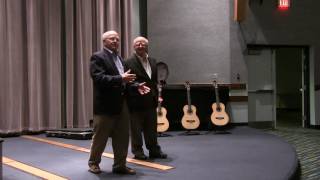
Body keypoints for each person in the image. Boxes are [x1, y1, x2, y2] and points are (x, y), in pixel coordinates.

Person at [88, 31, 150, 175]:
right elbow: (99, 78)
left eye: (117, 39)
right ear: (104, 41)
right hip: (105, 105)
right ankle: (93, 163)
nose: (115, 41)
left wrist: (136, 86)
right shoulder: (98, 57)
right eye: (112, 39)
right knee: (100, 137)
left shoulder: (120, 59)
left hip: (122, 105)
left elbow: (125, 81)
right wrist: (120, 78)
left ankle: (119, 165)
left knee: (122, 136)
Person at [126, 36, 167, 160]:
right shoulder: (128, 62)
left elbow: (153, 81)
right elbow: (127, 82)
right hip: (135, 101)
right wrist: (137, 86)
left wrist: (157, 95)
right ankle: (138, 152)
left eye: (142, 43)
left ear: (146, 46)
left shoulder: (153, 61)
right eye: (137, 44)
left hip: (151, 100)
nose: (140, 45)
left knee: (151, 129)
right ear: (134, 46)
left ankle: (154, 150)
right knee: (136, 130)